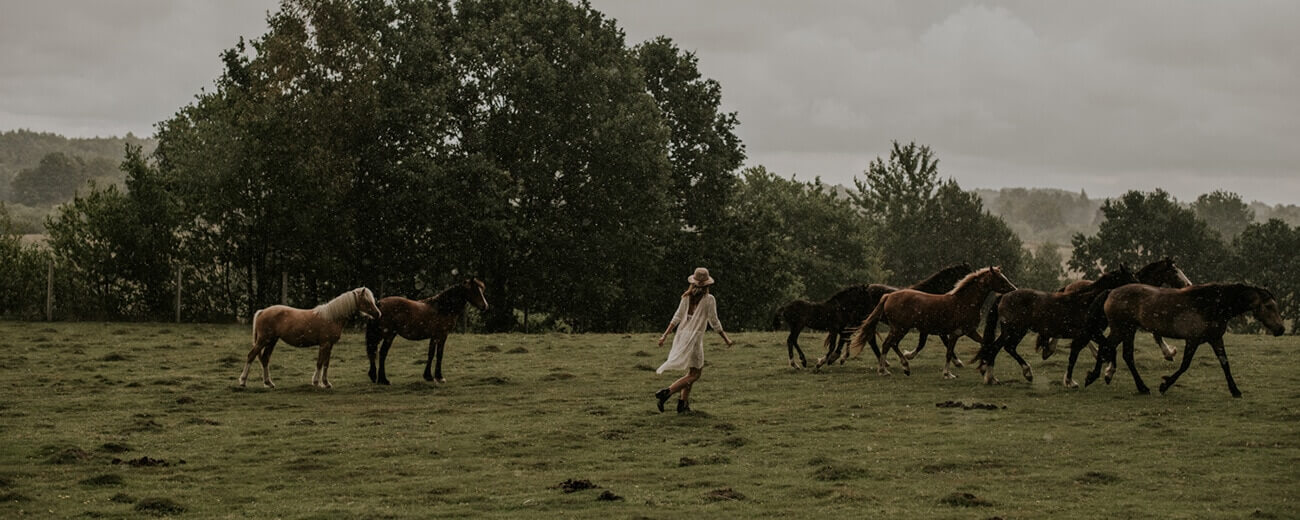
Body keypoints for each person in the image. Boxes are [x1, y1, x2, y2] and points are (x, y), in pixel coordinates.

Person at [654, 267, 733, 413]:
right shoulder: (709, 300)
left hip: (682, 336)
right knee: (695, 374)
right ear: (707, 285)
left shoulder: (686, 297)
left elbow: (676, 317)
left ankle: (683, 405)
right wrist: (726, 339)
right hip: (695, 338)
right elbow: (714, 322)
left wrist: (664, 335)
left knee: (691, 372)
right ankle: (667, 392)